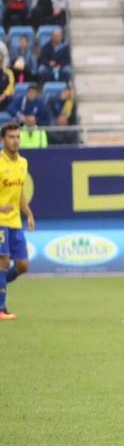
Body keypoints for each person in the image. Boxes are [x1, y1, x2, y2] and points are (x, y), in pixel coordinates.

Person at [0, 121, 32, 321]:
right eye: (11, 137)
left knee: (22, 266)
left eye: (18, 137)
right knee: (3, 260)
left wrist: (28, 213)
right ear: (3, 140)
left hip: (15, 221)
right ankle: (1, 309)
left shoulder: (23, 163)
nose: (15, 141)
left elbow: (19, 194)